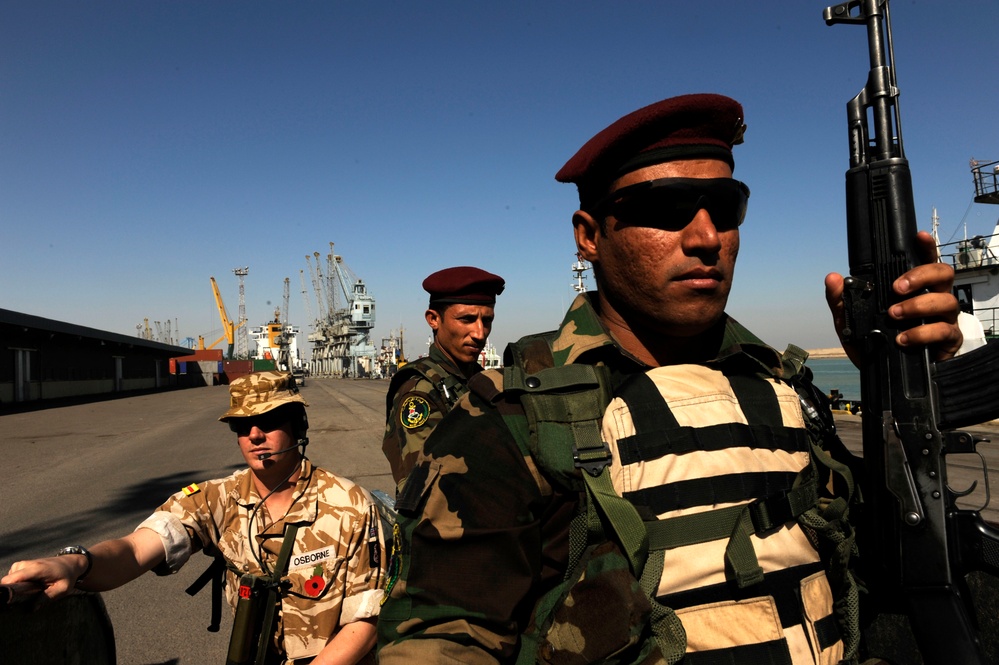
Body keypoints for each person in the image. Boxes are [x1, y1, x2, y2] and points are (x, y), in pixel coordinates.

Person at [376, 94, 962, 664]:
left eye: (725, 208)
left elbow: (879, 562)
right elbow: (442, 637)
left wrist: (899, 386)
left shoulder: (785, 391)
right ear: (589, 236)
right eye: (666, 208)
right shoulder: (513, 419)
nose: (707, 238)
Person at [3, 371, 386, 665]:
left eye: (269, 420)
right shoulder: (215, 499)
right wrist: (74, 562)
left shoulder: (349, 505)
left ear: (297, 426)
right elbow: (138, 550)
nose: (254, 434)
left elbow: (365, 621)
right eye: (241, 426)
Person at [381, 265, 505, 495]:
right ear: (434, 319)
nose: (480, 333)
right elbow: (426, 485)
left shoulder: (480, 379)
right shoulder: (420, 391)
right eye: (467, 319)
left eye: (486, 321)